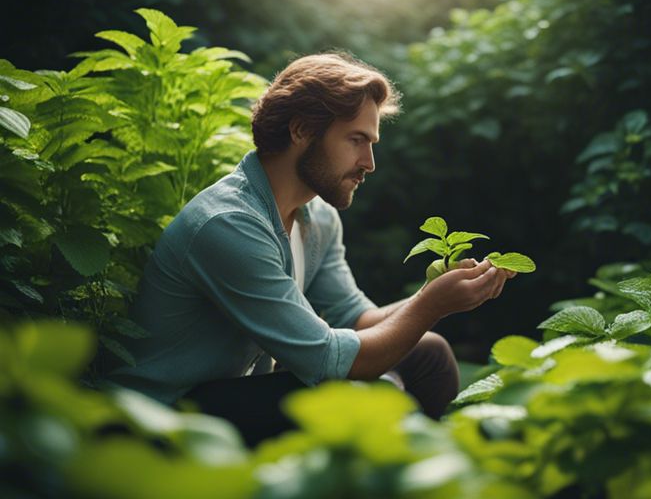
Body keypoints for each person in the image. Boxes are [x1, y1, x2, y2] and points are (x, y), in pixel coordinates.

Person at [95, 53, 516, 447]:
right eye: (356, 140)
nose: (369, 162)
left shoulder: (318, 217)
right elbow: (332, 361)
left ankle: (448, 475)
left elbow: (357, 317)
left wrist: (442, 291)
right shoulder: (229, 224)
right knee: (365, 392)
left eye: (371, 143)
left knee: (429, 352)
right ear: (301, 130)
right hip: (161, 419)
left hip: (227, 397)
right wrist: (431, 305)